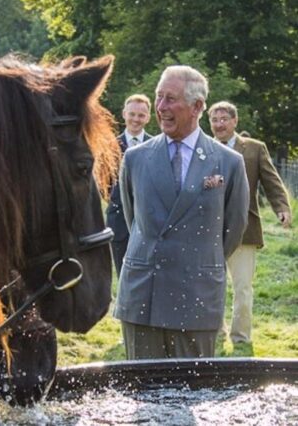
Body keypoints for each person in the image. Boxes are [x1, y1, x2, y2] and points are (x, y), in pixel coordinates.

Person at [114, 66, 249, 359]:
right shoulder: (135, 158)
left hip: (196, 298)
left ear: (197, 106)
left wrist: (196, 260)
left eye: (171, 99)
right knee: (142, 386)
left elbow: (233, 229)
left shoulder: (229, 162)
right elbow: (133, 220)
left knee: (193, 385)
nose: (161, 107)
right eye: (158, 97)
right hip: (143, 297)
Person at [208, 101, 292, 350]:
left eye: (224, 119)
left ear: (235, 121)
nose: (219, 124)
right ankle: (215, 331)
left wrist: (282, 207)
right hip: (209, 231)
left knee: (242, 287)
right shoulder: (204, 148)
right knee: (211, 286)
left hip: (245, 229)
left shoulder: (254, 149)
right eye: (214, 120)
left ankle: (241, 337)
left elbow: (271, 181)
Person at [105, 94, 152, 276]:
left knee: (147, 275)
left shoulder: (157, 146)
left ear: (148, 118)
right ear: (124, 114)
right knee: (123, 275)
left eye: (141, 115)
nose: (136, 119)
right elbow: (103, 184)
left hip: (149, 222)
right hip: (118, 222)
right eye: (132, 114)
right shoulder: (110, 146)